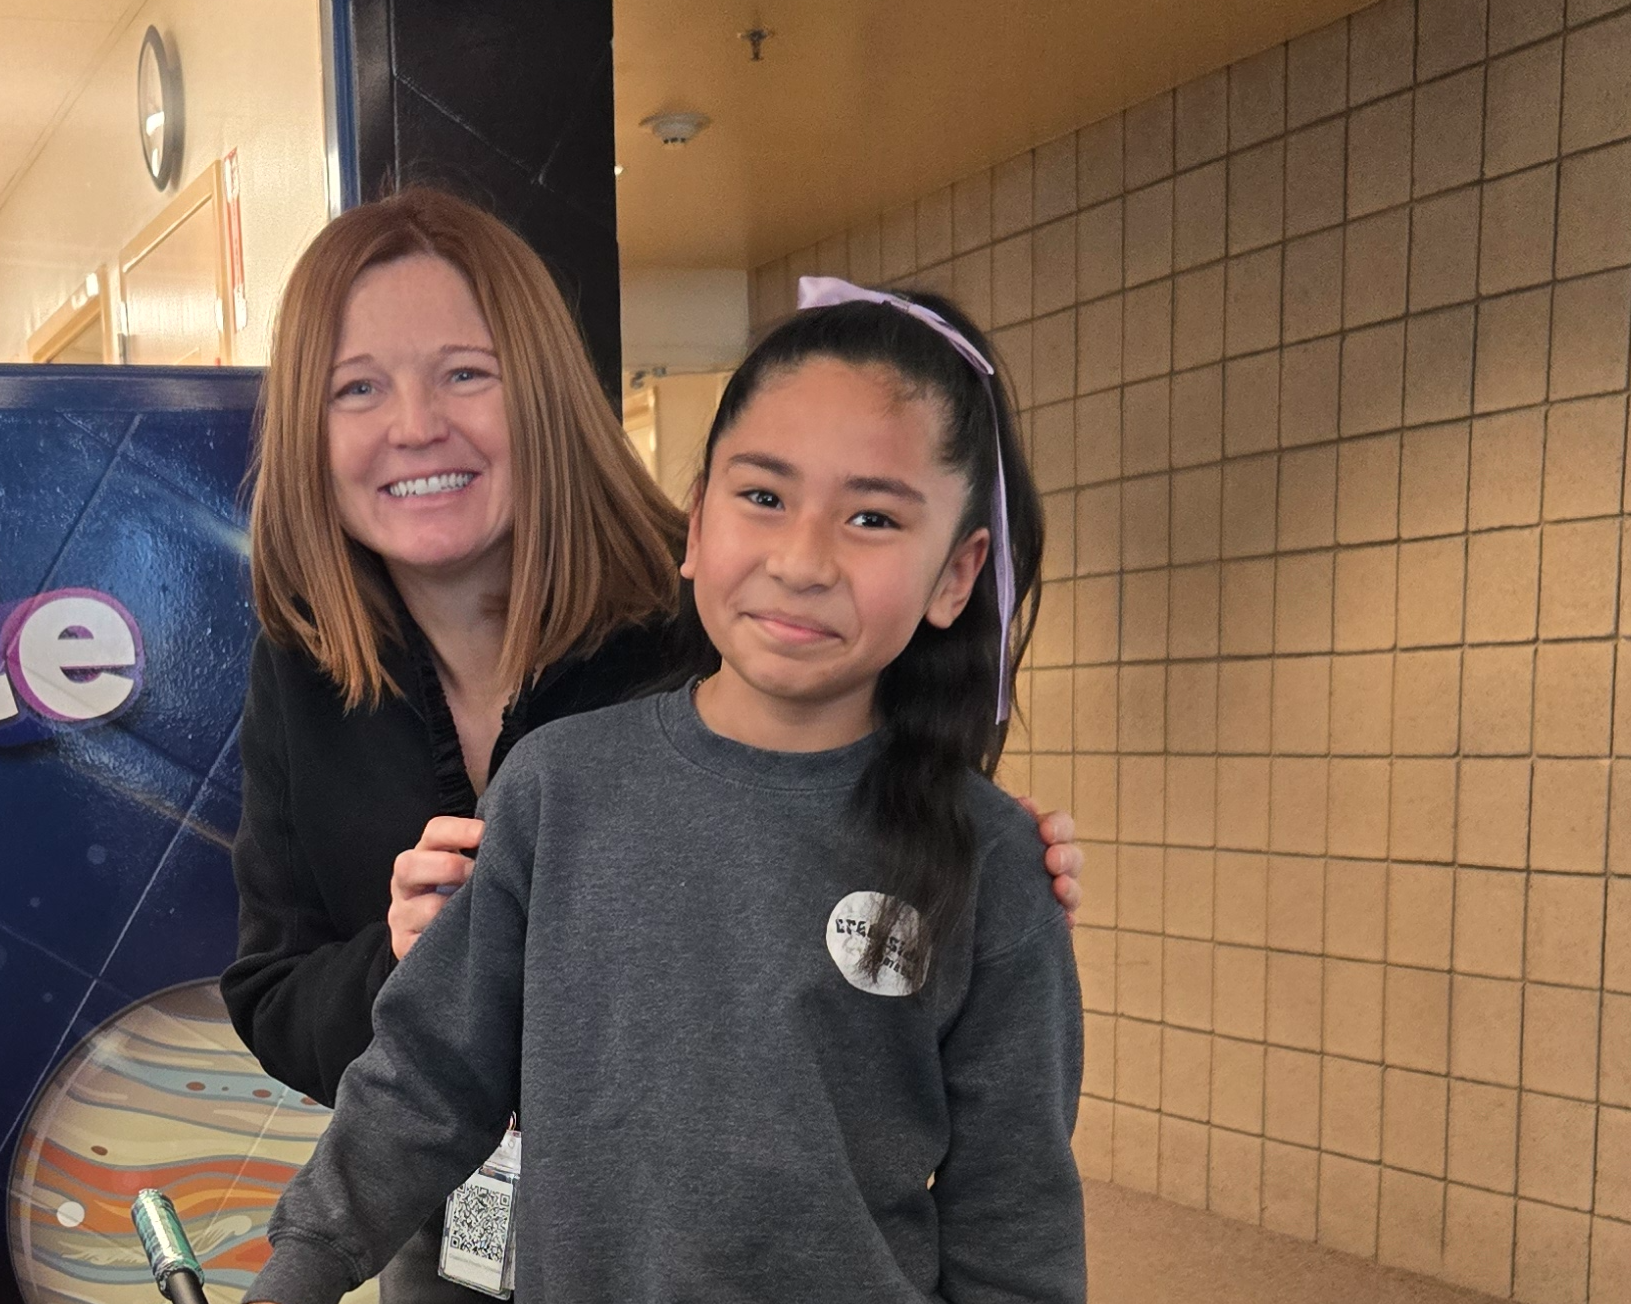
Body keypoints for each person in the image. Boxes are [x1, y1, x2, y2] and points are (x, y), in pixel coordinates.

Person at [220, 189, 1082, 1300]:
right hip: (467, 1249)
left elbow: (1013, 1210)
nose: (802, 558)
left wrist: (1004, 858)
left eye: (465, 372)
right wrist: (410, 963)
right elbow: (411, 1072)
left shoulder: (725, 647)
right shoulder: (503, 756)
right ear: (705, 515)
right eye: (358, 387)